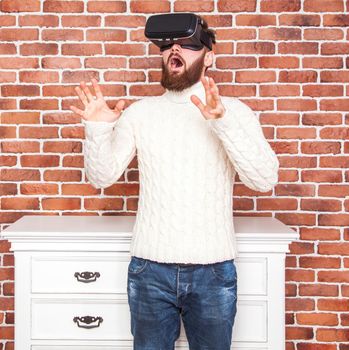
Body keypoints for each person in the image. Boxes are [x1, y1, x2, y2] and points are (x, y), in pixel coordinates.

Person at [70, 13, 279, 350]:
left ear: (209, 56)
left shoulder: (235, 112)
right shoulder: (141, 113)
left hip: (214, 272)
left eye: (188, 45)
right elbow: (102, 176)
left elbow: (264, 180)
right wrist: (97, 129)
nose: (174, 51)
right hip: (150, 271)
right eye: (167, 45)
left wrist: (221, 123)